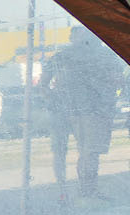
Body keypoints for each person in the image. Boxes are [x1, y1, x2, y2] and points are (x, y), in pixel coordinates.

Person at [39, 27, 122, 197]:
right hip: (87, 110)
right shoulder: (67, 56)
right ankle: (84, 190)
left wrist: (56, 98)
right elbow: (43, 85)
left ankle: (83, 189)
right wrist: (56, 99)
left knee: (86, 152)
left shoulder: (99, 55)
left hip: (89, 110)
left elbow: (43, 85)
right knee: (88, 152)